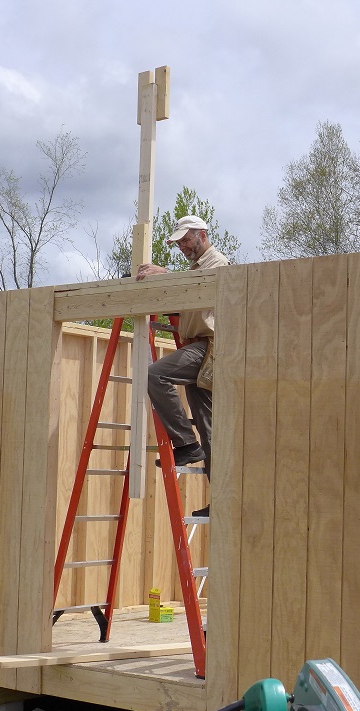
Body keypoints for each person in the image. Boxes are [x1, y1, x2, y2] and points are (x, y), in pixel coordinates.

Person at [136, 215, 228, 513]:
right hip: (200, 350)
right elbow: (189, 303)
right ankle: (222, 503)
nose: (184, 247)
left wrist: (166, 275)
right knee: (210, 428)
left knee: (155, 374)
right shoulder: (195, 270)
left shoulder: (217, 264)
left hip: (210, 348)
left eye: (186, 240)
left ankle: (186, 445)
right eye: (179, 244)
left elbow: (204, 288)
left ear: (203, 234)